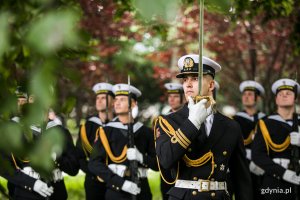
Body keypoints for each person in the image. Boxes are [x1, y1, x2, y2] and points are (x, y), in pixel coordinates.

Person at [154, 54, 252, 200]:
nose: (187, 84)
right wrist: (192, 122)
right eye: (185, 79)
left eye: (195, 78)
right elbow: (166, 160)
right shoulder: (167, 121)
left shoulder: (231, 126)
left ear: (211, 85)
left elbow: (241, 178)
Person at [88, 83, 158, 200]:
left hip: (142, 189)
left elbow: (158, 165)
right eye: (116, 100)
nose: (117, 103)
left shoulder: (145, 132)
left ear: (133, 103)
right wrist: (121, 183)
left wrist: (142, 158)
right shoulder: (106, 131)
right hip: (116, 190)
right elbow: (94, 163)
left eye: (122, 100)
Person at [7, 102, 79, 200]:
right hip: (26, 195)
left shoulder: (60, 131)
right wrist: (32, 183)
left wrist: (56, 157)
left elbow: (73, 169)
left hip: (56, 194)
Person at [252, 78, 300, 200]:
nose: (284, 96)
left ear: (295, 98)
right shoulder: (266, 123)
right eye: (280, 94)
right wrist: (283, 173)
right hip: (274, 180)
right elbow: (257, 155)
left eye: (288, 93)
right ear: (276, 99)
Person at [76, 82, 114, 200]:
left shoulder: (120, 125)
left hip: (116, 180)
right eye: (97, 98)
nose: (99, 101)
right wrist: (94, 173)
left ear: (113, 101)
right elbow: (80, 156)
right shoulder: (88, 126)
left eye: (103, 98)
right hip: (94, 181)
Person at [232, 80, 266, 199]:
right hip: (242, 166)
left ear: (258, 98)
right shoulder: (234, 120)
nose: (246, 97)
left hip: (262, 168)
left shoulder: (266, 120)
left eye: (250, 94)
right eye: (244, 94)